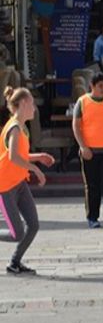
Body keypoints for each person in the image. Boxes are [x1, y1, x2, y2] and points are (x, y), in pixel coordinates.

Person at [1, 87, 54, 275]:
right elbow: (14, 157)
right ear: (23, 104)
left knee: (33, 225)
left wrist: (38, 156)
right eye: (31, 103)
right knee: (17, 233)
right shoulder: (14, 128)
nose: (34, 108)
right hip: (5, 186)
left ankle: (15, 263)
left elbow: (20, 154)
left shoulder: (21, 127)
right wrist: (36, 169)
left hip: (19, 183)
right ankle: (15, 262)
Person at [72, 73, 103, 229]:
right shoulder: (83, 102)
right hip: (90, 150)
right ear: (92, 86)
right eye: (100, 86)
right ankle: (92, 217)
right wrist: (82, 146)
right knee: (92, 185)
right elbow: (76, 126)